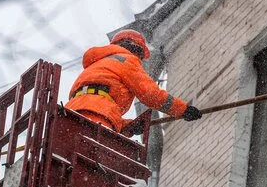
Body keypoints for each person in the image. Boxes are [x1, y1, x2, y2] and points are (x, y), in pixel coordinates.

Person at [66, 29, 201, 134]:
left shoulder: (98, 64)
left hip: (71, 112)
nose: (140, 61)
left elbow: (95, 100)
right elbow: (151, 94)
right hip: (98, 115)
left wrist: (128, 126)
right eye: (140, 56)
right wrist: (182, 110)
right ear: (135, 50)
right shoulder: (127, 60)